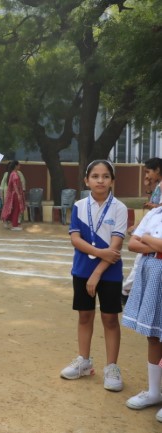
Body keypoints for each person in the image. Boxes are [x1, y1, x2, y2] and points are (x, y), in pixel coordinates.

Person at [60, 160, 127, 392]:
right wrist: (99, 253)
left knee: (110, 319)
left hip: (109, 272)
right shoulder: (79, 206)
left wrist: (97, 272)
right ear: (86, 180)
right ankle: (84, 361)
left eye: (106, 176)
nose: (100, 180)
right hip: (82, 270)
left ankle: (112, 367)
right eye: (95, 176)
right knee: (85, 316)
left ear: (112, 181)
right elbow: (75, 239)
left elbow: (116, 246)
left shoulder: (119, 208)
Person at [121, 204, 162, 420]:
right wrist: (154, 244)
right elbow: (132, 244)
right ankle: (154, 392)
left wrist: (146, 238)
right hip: (152, 273)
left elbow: (140, 240)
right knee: (153, 335)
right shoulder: (155, 213)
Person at [122, 157, 162, 305]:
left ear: (158, 169)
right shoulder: (158, 186)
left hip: (156, 232)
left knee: (140, 262)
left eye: (148, 171)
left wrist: (142, 231)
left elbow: (157, 209)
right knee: (140, 261)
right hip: (152, 230)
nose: (146, 175)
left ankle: (126, 291)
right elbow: (154, 207)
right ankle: (127, 291)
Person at [1, 160, 26, 231]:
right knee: (16, 209)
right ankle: (14, 225)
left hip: (13, 194)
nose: (20, 166)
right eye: (19, 165)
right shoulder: (14, 174)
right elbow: (15, 185)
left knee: (13, 209)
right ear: (15, 166)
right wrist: (18, 194)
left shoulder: (12, 173)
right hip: (15, 194)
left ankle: (11, 222)